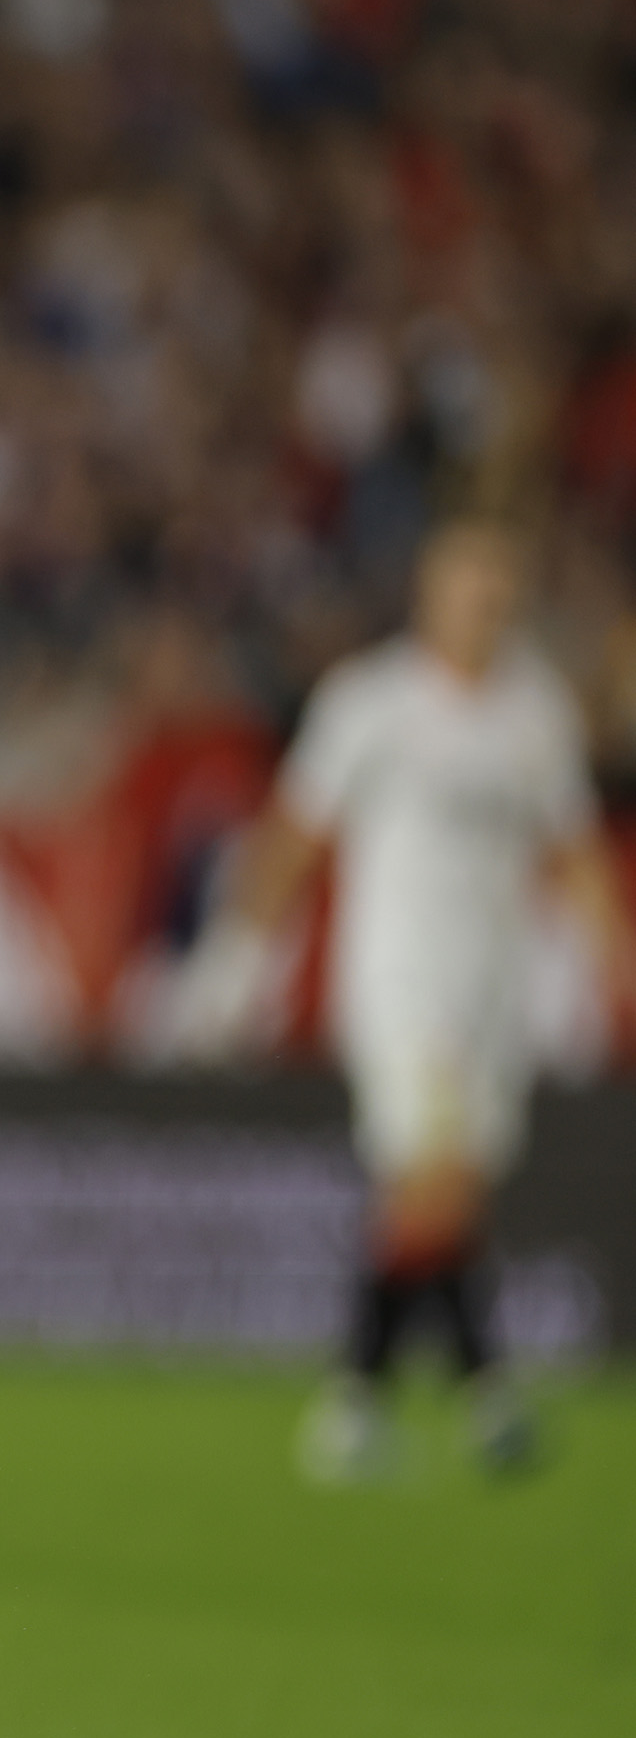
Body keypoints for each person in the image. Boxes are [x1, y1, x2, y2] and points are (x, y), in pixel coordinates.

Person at [187, 518, 634, 1481]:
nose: (490, 605)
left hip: (494, 990)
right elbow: (294, 836)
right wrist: (237, 958)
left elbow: (573, 849)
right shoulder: (372, 705)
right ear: (432, 594)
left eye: (502, 589)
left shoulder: (535, 714)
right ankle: (375, 1402)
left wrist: (612, 953)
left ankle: (456, 1396)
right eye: (474, 586)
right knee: (432, 1177)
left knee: (450, 1192)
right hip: (400, 978)